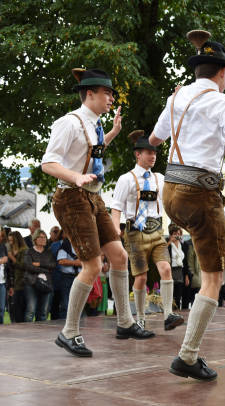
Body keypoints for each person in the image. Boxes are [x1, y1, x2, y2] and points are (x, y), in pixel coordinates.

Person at [149, 29, 225, 381]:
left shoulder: (176, 99)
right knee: (212, 277)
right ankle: (188, 356)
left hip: (170, 192)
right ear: (222, 73)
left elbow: (154, 141)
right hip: (199, 193)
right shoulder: (224, 103)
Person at [42, 67, 154, 357]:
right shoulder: (69, 123)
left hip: (93, 197)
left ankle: (125, 322)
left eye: (112, 94)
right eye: (107, 93)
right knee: (92, 266)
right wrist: (75, 177)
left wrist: (114, 133)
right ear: (89, 94)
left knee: (119, 256)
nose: (111, 98)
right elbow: (48, 164)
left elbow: (93, 153)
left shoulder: (96, 126)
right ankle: (69, 332)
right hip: (71, 197)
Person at [111, 130, 184, 331]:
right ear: (138, 154)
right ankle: (141, 317)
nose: (152, 156)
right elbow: (116, 207)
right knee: (141, 278)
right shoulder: (126, 179)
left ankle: (168, 314)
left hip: (157, 232)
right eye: (148, 152)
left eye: (154, 153)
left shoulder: (160, 178)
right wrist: (115, 230)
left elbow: (171, 201)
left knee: (166, 269)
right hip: (135, 234)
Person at [22, 230, 56, 322]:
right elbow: (29, 267)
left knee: (44, 312)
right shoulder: (29, 251)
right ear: (35, 239)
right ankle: (26, 334)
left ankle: (41, 333)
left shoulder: (48, 252)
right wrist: (45, 270)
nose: (43, 239)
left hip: (46, 284)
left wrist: (39, 264)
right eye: (41, 237)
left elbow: (53, 265)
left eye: (44, 237)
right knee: (31, 310)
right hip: (31, 283)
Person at [7, 231, 28, 323]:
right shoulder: (9, 251)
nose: (10, 243)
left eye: (12, 241)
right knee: (13, 308)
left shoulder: (24, 251)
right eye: (9, 241)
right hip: (12, 282)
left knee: (20, 307)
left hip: (22, 282)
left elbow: (23, 266)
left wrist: (12, 258)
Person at [0, 233, 8, 323]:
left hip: (2, 282)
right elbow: (3, 260)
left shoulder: (2, 246)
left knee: (1, 309)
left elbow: (6, 260)